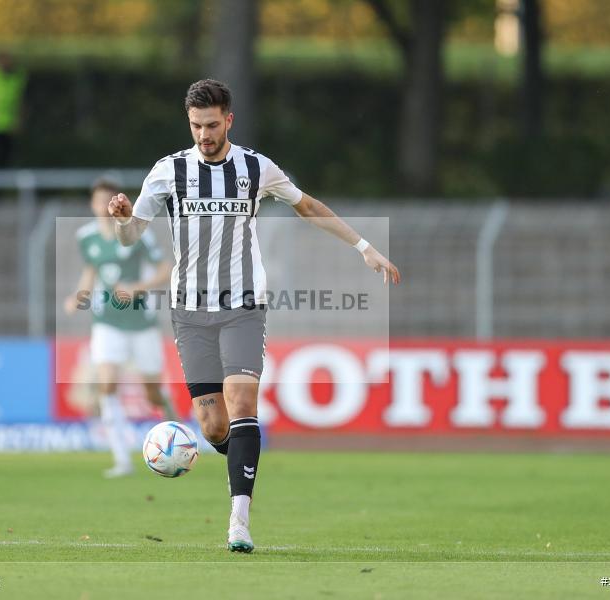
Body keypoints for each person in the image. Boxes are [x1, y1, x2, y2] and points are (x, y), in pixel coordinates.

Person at [108, 79, 400, 552]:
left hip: (243, 306)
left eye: (211, 124)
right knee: (214, 427)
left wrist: (363, 247)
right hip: (189, 312)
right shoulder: (168, 172)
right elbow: (128, 238)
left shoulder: (255, 168)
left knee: (243, 405)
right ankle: (241, 455)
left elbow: (307, 207)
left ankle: (238, 522)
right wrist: (122, 218)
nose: (203, 134)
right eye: (195, 126)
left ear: (229, 120)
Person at [64, 177, 176, 478]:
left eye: (108, 200)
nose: (103, 205)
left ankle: (171, 423)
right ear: (92, 204)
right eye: (98, 200)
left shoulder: (136, 232)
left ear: (118, 203)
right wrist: (79, 296)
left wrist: (138, 288)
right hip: (107, 322)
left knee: (152, 393)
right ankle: (121, 459)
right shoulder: (85, 236)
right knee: (107, 384)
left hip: (141, 322)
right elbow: (91, 270)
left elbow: (166, 269)